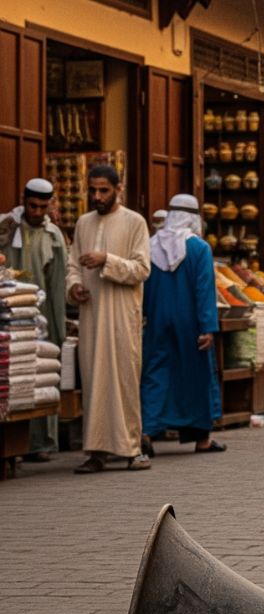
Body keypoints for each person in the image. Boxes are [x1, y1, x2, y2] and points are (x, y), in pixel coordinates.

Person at [67, 164, 152, 473]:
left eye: (103, 190)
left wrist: (107, 260)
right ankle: (96, 452)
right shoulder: (83, 223)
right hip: (91, 317)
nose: (97, 196)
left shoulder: (135, 223)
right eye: (92, 190)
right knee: (93, 382)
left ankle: (132, 450)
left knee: (124, 381)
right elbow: (73, 264)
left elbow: (142, 269)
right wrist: (74, 287)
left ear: (119, 189)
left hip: (121, 319)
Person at [139, 194, 224, 457]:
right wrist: (208, 326)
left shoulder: (149, 246)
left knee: (156, 373)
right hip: (190, 322)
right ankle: (201, 439)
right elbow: (204, 289)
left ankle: (146, 432)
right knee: (196, 375)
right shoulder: (199, 249)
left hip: (156, 319)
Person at [0, 178, 68, 461]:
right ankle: (12, 444)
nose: (37, 212)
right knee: (12, 373)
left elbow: (57, 286)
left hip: (43, 316)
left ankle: (42, 443)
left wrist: (58, 328)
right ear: (23, 201)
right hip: (10, 312)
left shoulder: (53, 236)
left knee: (41, 373)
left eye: (42, 207)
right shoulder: (8, 228)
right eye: (32, 206)